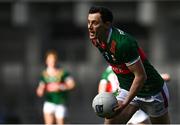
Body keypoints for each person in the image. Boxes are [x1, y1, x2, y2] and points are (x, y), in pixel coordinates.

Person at [88, 6, 170, 124]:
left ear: (107, 24)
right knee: (110, 122)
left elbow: (141, 76)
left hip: (152, 91)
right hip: (127, 89)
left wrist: (125, 103)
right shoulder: (95, 39)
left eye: (94, 23)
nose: (90, 27)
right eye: (89, 22)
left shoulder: (123, 44)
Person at [98, 66, 171, 124]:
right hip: (130, 101)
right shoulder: (128, 68)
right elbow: (140, 77)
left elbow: (101, 92)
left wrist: (104, 104)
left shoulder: (107, 72)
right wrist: (163, 77)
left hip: (117, 105)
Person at [36, 50, 75, 125]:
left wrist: (61, 87)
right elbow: (39, 90)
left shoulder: (63, 73)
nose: (52, 62)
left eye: (53, 60)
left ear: (56, 61)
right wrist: (41, 90)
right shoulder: (44, 74)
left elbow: (72, 85)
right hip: (49, 103)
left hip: (60, 103)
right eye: (50, 60)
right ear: (46, 61)